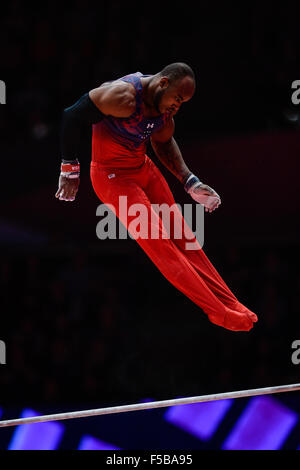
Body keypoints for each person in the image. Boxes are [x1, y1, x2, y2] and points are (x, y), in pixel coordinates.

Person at [55, 62, 258, 331]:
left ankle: (232, 303)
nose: (178, 106)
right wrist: (70, 169)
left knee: (185, 238)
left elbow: (163, 142)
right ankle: (218, 312)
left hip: (142, 169)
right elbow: (71, 116)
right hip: (113, 178)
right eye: (177, 98)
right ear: (163, 84)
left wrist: (190, 181)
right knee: (161, 244)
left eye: (183, 102)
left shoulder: (164, 111)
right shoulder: (123, 97)